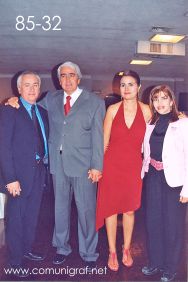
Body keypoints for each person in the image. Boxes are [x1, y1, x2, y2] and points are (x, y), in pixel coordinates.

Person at [6, 61, 105, 266]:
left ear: (78, 78)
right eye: (63, 76)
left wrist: (97, 166)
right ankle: (62, 247)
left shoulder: (94, 102)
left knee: (86, 211)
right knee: (60, 209)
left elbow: (98, 136)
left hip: (84, 166)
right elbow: (28, 108)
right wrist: (11, 100)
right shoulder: (50, 98)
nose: (67, 79)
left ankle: (88, 253)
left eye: (71, 75)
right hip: (56, 165)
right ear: (58, 80)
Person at [96, 70, 151, 271]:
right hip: (111, 166)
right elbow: (103, 142)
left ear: (138, 87)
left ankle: (126, 248)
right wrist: (98, 167)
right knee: (110, 210)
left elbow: (160, 130)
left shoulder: (147, 110)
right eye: (123, 85)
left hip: (133, 166)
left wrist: (178, 115)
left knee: (129, 209)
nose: (126, 89)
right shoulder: (112, 110)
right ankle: (112, 251)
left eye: (130, 84)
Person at [0, 71, 48, 277]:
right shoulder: (10, 110)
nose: (31, 89)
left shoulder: (42, 112)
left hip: (38, 173)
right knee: (16, 219)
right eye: (26, 85)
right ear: (18, 89)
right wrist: (10, 178)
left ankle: (26, 250)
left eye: (35, 85)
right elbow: (3, 146)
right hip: (17, 178)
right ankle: (15, 261)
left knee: (31, 216)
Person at [141, 85, 188, 282]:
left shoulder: (183, 124)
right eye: (156, 99)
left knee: (173, 226)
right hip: (153, 177)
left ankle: (170, 267)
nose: (160, 103)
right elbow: (146, 151)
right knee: (153, 223)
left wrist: (187, 187)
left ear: (171, 101)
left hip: (174, 181)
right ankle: (156, 263)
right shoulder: (150, 123)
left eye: (164, 98)